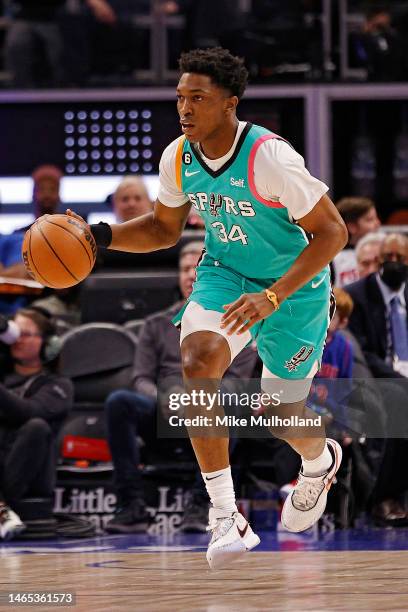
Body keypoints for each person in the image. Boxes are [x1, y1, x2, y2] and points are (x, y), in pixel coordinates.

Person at [65, 47, 347, 569]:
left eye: (198, 98)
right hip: (224, 273)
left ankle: (319, 460)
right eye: (180, 97)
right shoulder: (177, 156)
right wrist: (98, 235)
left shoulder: (269, 157)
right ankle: (225, 515)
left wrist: (272, 296)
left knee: (281, 415)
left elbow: (333, 232)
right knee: (197, 364)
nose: (185, 108)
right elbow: (161, 230)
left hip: (294, 287)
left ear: (229, 105)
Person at [104, 241, 258, 534]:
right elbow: (141, 379)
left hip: (212, 410)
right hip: (164, 409)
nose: (190, 275)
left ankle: (204, 503)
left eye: (197, 268)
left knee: (229, 396)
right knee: (120, 402)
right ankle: (131, 506)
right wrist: (166, 399)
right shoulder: (156, 323)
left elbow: (236, 379)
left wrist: (196, 398)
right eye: (185, 269)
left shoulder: (239, 322)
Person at [0, 308, 73, 540]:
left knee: (36, 426)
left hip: (31, 474)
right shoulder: (4, 378)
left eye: (26, 333)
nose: (18, 339)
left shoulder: (58, 386)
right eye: (15, 333)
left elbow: (27, 412)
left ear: (47, 344)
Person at [332, 197, 381, 287]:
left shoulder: (385, 251)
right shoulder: (334, 259)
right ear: (352, 227)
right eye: (370, 220)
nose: (378, 223)